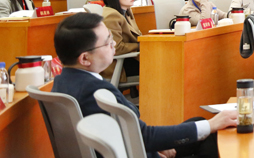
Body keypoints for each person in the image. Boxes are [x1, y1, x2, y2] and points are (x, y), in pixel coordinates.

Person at [51, 13, 237, 158]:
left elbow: (131, 133)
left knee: (199, 123)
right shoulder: (94, 91)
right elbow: (143, 136)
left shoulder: (62, 82)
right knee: (212, 134)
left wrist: (154, 147)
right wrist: (211, 124)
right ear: (85, 58)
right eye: (107, 42)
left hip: (137, 147)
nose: (114, 43)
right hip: (136, 150)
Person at [101, 0, 141, 80]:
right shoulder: (111, 16)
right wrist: (140, 45)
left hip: (129, 57)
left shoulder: (126, 11)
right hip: (120, 64)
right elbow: (116, 48)